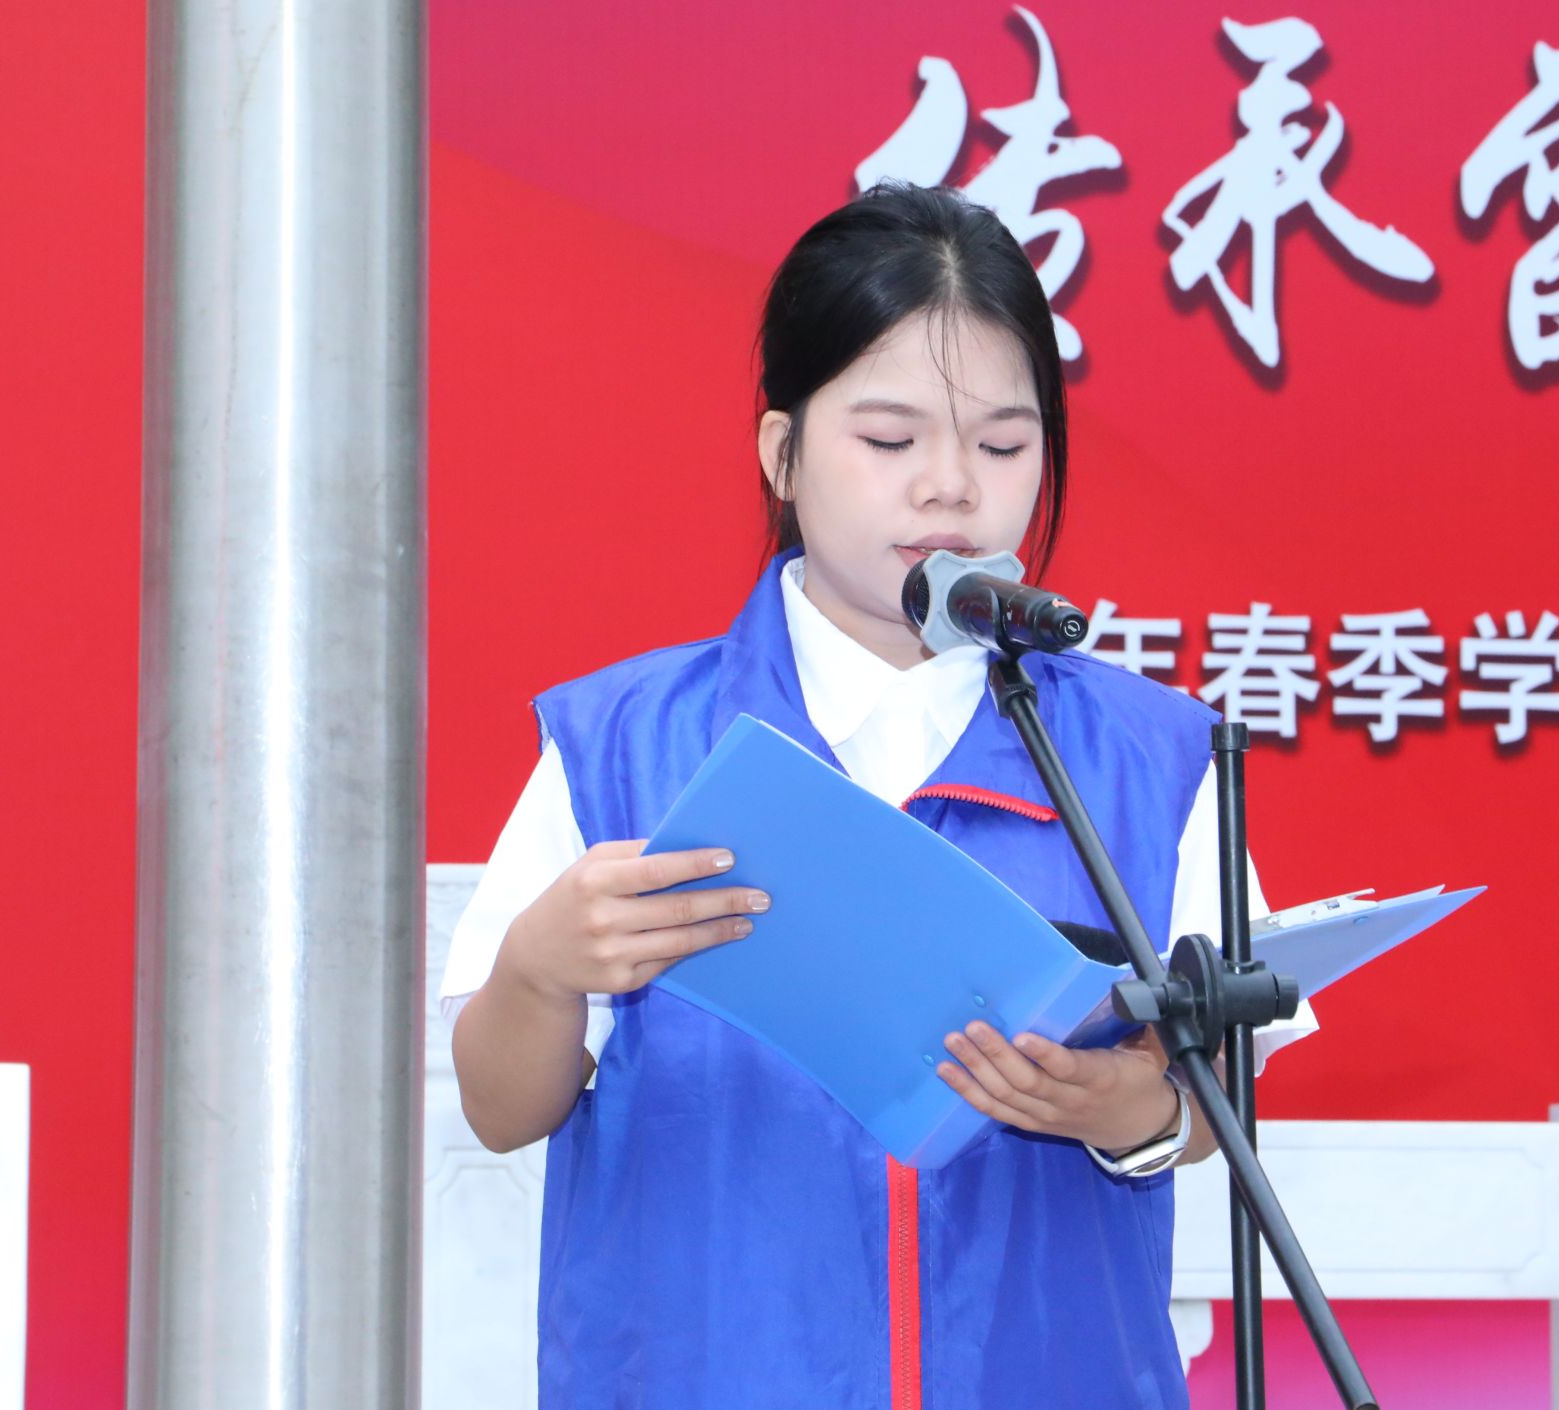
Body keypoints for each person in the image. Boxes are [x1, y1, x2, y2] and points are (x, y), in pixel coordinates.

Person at [440, 181, 1315, 1410]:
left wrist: (1133, 1111)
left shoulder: (1148, 755)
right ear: (781, 452)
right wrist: (538, 970)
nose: (950, 486)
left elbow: (1216, 1097)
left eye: (1002, 445)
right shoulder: (623, 744)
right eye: (890, 441)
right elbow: (498, 1109)